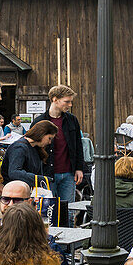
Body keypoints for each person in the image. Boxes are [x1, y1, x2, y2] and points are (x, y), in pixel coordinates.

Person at [34, 86, 87, 220]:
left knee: (68, 212)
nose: (70, 105)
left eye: (70, 102)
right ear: (55, 99)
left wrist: (79, 168)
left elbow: (78, 145)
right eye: (67, 101)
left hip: (68, 174)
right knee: (48, 212)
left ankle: (68, 241)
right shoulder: (39, 121)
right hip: (47, 175)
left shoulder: (72, 120)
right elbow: (33, 149)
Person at [1, 119, 55, 188]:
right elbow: (14, 172)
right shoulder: (19, 147)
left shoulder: (35, 148)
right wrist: (40, 179)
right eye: (49, 138)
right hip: (14, 191)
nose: (49, 142)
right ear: (42, 134)